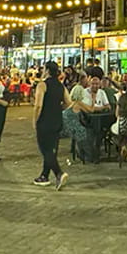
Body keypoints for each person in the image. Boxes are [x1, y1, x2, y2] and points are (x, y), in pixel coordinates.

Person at [33, 61, 72, 189]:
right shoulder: (61, 86)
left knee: (45, 150)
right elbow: (68, 102)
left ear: (48, 71)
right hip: (57, 120)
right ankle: (44, 175)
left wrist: (35, 120)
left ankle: (59, 173)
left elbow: (38, 105)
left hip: (45, 121)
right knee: (52, 149)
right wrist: (58, 107)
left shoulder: (42, 85)